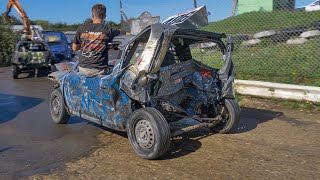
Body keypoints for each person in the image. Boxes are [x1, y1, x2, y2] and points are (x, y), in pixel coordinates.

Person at [72, 4, 120, 77]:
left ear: (92, 15)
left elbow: (74, 48)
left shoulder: (81, 28)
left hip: (83, 69)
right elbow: (122, 32)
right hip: (99, 70)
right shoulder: (108, 30)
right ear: (104, 16)